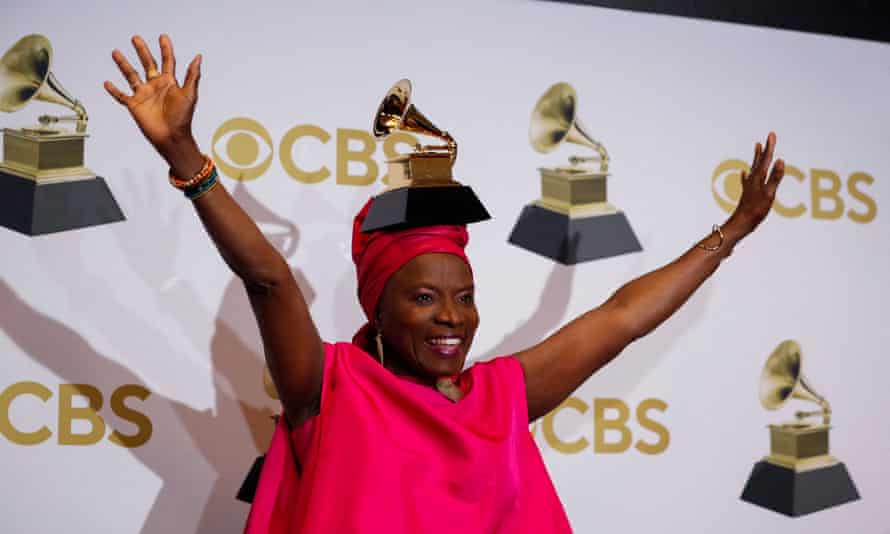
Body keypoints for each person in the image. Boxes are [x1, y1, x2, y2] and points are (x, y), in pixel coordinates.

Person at [106, 35, 785, 533]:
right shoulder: (330, 388)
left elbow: (622, 317)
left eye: (464, 297)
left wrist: (732, 230)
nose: (451, 318)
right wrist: (188, 160)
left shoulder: (500, 396)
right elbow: (268, 280)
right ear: (379, 305)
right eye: (425, 298)